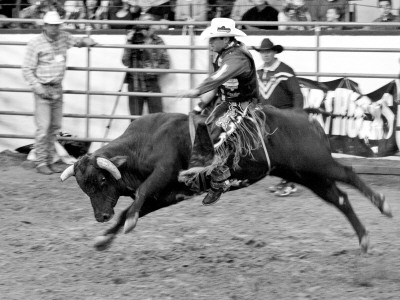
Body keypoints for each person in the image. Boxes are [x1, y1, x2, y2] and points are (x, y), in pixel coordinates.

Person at [178, 18, 263, 206]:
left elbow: (219, 76)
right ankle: (211, 176)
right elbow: (217, 82)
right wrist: (200, 105)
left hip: (242, 103)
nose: (210, 43)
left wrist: (197, 91)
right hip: (226, 102)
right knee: (202, 130)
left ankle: (219, 182)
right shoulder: (222, 55)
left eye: (214, 39)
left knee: (212, 135)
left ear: (225, 40)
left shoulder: (236, 58)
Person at [21, 11, 97, 175]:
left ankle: (48, 159)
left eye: (57, 25)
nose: (55, 28)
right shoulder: (35, 43)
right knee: (44, 127)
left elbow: (76, 41)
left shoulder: (63, 37)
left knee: (54, 127)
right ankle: (41, 161)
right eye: (52, 25)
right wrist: (37, 86)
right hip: (43, 87)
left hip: (56, 87)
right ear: (45, 26)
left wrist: (86, 41)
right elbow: (27, 69)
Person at [254, 38, 303, 196]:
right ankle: (285, 181)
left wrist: (296, 114)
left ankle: (290, 183)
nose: (266, 54)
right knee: (275, 152)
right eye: (263, 52)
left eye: (268, 51)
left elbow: (297, 94)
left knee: (285, 151)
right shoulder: (259, 72)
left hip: (284, 116)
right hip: (267, 117)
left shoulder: (285, 71)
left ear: (274, 52)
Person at [121, 13, 171, 116]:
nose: (148, 25)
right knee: (135, 120)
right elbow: (125, 61)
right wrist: (129, 42)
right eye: (145, 22)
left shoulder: (158, 40)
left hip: (152, 83)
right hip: (134, 83)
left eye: (151, 22)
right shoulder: (134, 40)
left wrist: (154, 69)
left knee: (157, 119)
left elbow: (166, 64)